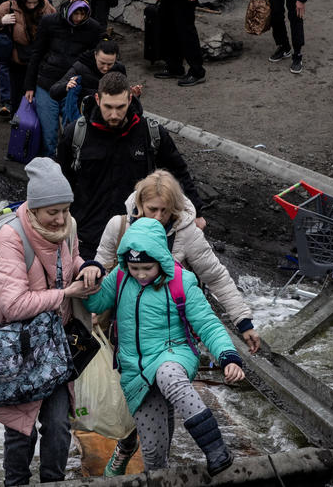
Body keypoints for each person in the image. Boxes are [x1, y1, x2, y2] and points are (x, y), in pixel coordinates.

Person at [93, 170, 261, 476]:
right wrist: (86, 279)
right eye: (151, 209)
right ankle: (128, 446)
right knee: (143, 415)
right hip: (128, 334)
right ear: (139, 205)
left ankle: (215, 450)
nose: (158, 217)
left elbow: (216, 281)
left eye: (165, 211)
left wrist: (242, 321)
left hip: (172, 341)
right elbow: (101, 266)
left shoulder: (185, 249)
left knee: (168, 376)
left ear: (175, 209)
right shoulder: (120, 234)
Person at [0, 157, 104, 486]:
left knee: (59, 425)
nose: (61, 219)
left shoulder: (69, 228)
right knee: (22, 428)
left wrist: (86, 267)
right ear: (33, 209)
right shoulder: (11, 237)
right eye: (52, 212)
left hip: (56, 345)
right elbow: (13, 304)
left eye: (65, 210)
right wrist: (66, 293)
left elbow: (70, 260)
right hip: (17, 346)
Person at [57, 71, 204, 261]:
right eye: (108, 107)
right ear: (97, 98)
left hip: (139, 234)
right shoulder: (76, 134)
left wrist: (197, 213)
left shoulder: (150, 133)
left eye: (120, 107)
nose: (114, 114)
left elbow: (178, 172)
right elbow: (62, 180)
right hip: (89, 236)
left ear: (130, 98)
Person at [25, 0, 103, 157]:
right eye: (76, 13)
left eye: (83, 14)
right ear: (68, 8)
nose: (78, 18)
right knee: (49, 133)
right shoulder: (49, 22)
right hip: (47, 83)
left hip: (73, 87)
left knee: (73, 130)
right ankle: (49, 166)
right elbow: (37, 53)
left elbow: (99, 58)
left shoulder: (93, 28)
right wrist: (29, 86)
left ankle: (69, 167)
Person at [0, 0, 57, 118]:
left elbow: (58, 23)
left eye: (35, 3)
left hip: (40, 63)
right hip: (17, 62)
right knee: (18, 100)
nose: (32, 6)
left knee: (39, 102)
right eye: (28, 3)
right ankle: (18, 127)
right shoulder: (10, 6)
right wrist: (0, 21)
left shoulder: (45, 7)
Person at [48, 39, 127, 105]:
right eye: (102, 63)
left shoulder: (119, 69)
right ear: (95, 55)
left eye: (110, 64)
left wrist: (133, 95)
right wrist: (66, 86)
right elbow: (53, 92)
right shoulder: (80, 67)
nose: (105, 68)